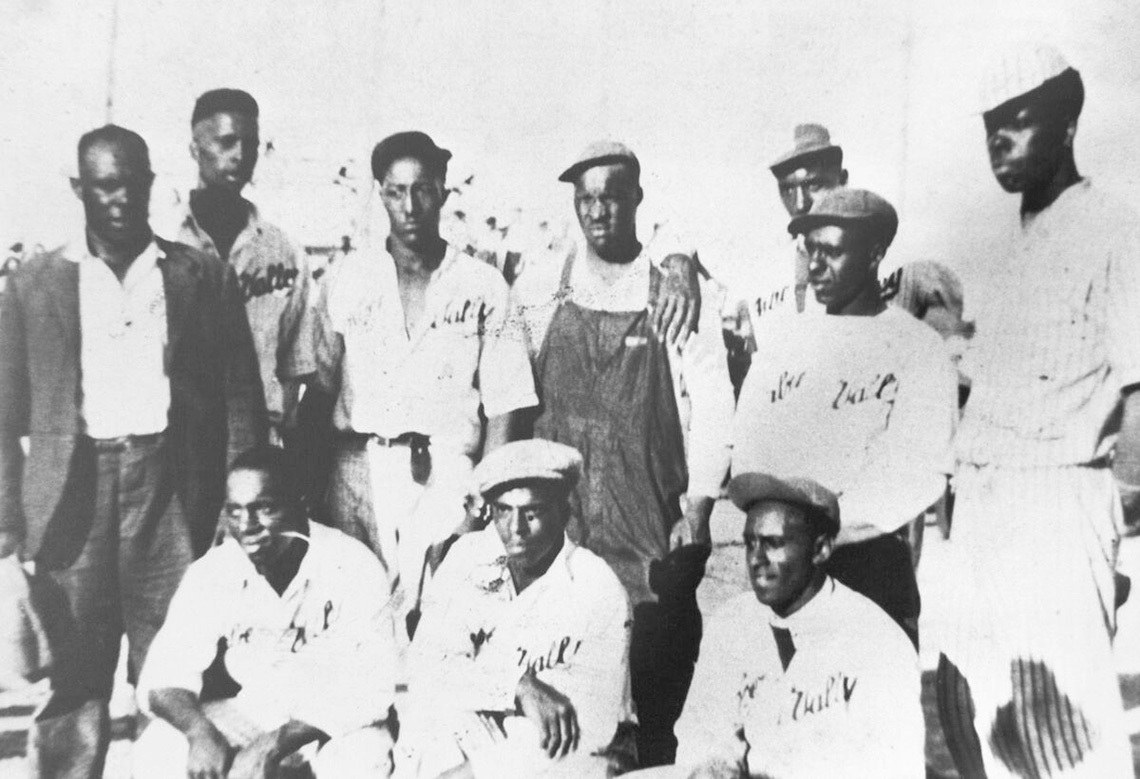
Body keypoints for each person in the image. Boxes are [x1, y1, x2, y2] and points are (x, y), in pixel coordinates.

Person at [0, 125, 266, 777]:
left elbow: (240, 397)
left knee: (181, 670)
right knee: (75, 678)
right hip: (74, 499)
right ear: (80, 189)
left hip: (169, 492)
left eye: (131, 184)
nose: (119, 199)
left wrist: (238, 507)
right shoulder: (36, 283)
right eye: (104, 186)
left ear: (151, 183)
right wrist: (7, 521)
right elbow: (3, 414)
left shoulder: (199, 275)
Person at [937, 42, 1140, 778]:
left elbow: (1137, 388)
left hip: (1056, 501)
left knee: (1069, 741)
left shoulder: (1115, 227)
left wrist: (1119, 511)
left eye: (1019, 120)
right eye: (990, 123)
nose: (999, 138)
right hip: (985, 503)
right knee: (991, 729)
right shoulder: (1005, 248)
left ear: (1067, 124)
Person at [512, 140, 735, 767]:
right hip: (561, 519)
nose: (598, 211)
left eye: (611, 196)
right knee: (562, 688)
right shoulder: (540, 288)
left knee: (653, 692)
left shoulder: (675, 293)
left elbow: (713, 400)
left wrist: (698, 506)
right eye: (585, 199)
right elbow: (509, 393)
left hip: (647, 517)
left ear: (637, 198)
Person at [310, 131, 538, 605]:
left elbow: (506, 407)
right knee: (360, 615)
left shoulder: (483, 285)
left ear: (442, 191)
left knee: (438, 614)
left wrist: (481, 502)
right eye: (396, 192)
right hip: (358, 471)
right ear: (380, 194)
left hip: (446, 475)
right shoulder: (347, 278)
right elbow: (319, 390)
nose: (410, 206)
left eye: (422, 190)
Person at [732, 188, 957, 646]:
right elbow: (749, 455)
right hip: (786, 572)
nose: (815, 265)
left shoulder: (917, 348)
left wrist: (822, 531)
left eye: (831, 252)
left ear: (875, 254)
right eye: (810, 250)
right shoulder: (783, 345)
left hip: (870, 569)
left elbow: (918, 474)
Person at [134, 446, 396, 779]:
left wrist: (271, 747)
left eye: (265, 508)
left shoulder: (352, 563)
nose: (247, 525)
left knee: (362, 759)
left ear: (302, 504)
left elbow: (372, 688)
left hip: (330, 723)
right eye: (235, 511)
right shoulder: (214, 570)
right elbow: (163, 677)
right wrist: (200, 733)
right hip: (256, 713)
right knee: (159, 747)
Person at [660, 472, 924, 779]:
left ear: (820, 549)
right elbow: (701, 739)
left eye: (773, 543)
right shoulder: (732, 623)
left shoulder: (876, 641)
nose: (756, 558)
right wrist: (715, 767)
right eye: (750, 543)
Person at [398, 439, 632, 779]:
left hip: (559, 758)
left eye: (532, 512)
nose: (516, 528)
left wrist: (474, 772)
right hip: (478, 737)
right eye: (504, 511)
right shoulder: (467, 557)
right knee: (429, 727)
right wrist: (516, 686)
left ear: (564, 513)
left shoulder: (598, 588)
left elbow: (586, 731)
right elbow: (426, 667)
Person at [174, 89, 317, 447]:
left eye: (250, 145)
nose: (240, 155)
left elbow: (295, 365)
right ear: (195, 149)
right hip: (178, 439)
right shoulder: (165, 241)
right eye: (226, 142)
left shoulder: (283, 251)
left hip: (255, 439)